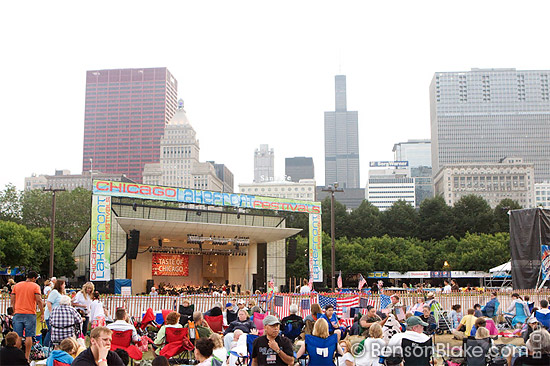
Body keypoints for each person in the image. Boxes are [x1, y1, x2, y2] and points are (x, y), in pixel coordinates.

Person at [10, 270, 44, 361]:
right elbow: (39, 300)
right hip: (30, 313)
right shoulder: (35, 286)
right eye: (36, 279)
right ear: (33, 278)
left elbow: (12, 299)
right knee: (29, 336)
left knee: (18, 336)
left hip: (18, 313)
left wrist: (13, 310)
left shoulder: (17, 286)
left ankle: (16, 356)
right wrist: (42, 313)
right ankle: (26, 357)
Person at [45, 279, 66, 346]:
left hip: (57, 316)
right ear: (60, 285)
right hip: (51, 316)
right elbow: (49, 302)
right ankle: (46, 346)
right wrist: (51, 313)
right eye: (63, 284)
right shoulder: (54, 292)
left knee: (54, 332)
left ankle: (51, 346)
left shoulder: (61, 293)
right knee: (51, 331)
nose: (64, 286)